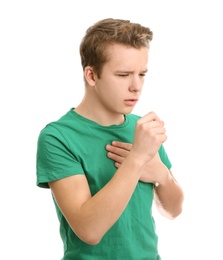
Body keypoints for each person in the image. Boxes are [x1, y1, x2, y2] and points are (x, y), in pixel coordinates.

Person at [36, 18, 184, 260]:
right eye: (123, 74)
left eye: (142, 74)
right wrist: (136, 159)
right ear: (92, 75)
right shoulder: (57, 137)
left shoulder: (141, 128)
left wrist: (161, 175)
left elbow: (174, 210)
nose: (136, 86)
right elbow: (89, 230)